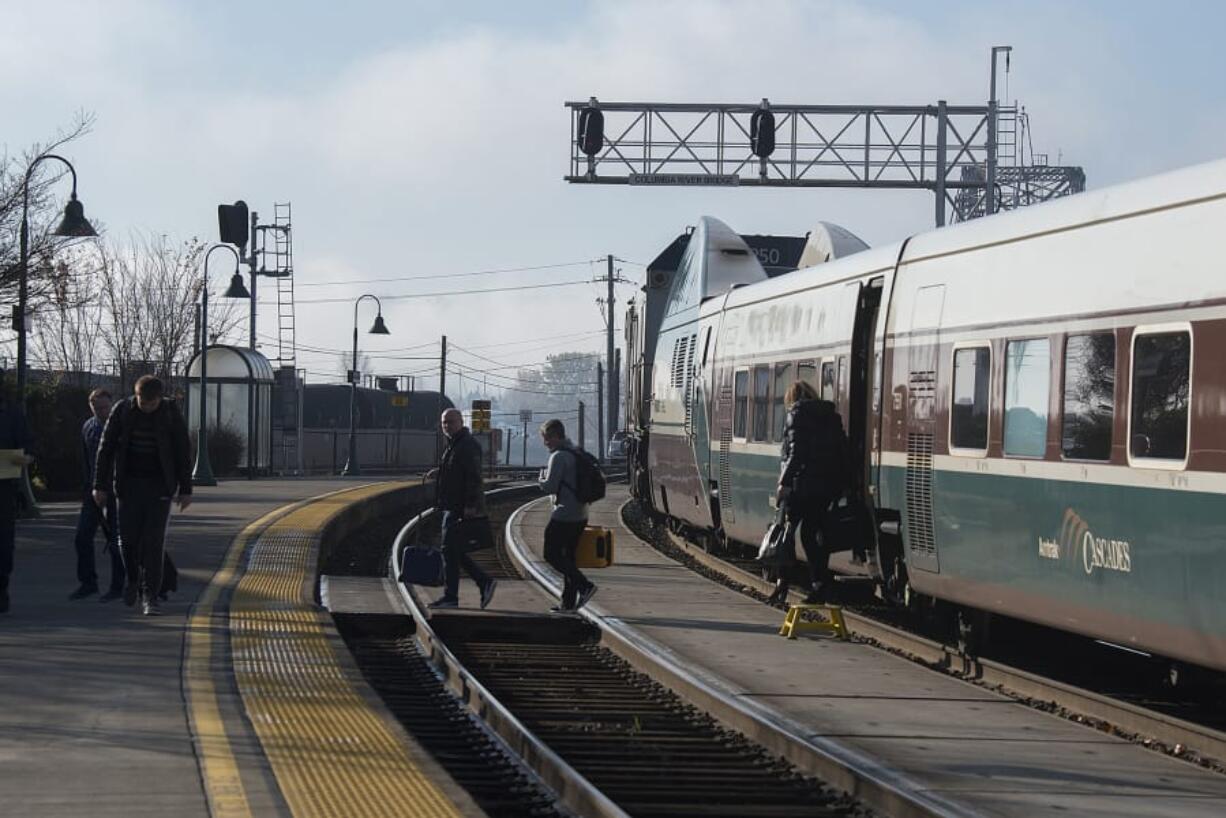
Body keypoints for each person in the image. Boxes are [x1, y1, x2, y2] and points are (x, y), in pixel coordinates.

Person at [93, 375, 192, 616]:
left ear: (159, 398)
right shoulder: (122, 410)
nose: (146, 407)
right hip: (128, 485)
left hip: (159, 485)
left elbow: (182, 451)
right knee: (126, 541)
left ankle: (151, 596)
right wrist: (99, 485)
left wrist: (186, 489)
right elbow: (105, 448)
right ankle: (133, 579)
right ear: (135, 396)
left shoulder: (170, 412)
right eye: (142, 402)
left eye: (151, 403)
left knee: (153, 543)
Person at [768, 380, 849, 606]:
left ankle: (782, 583)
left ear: (791, 398)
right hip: (825, 488)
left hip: (800, 486)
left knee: (785, 534)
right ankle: (819, 585)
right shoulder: (831, 416)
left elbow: (796, 453)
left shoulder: (796, 414)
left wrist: (784, 483)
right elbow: (842, 450)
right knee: (813, 535)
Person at [428, 408, 496, 610]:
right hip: (451, 504)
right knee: (452, 550)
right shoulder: (455, 444)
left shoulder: (466, 445)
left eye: (451, 422)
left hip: (459, 507)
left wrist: (470, 506)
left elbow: (474, 477)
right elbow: (456, 470)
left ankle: (455, 595)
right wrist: (439, 472)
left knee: (449, 549)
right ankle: (482, 583)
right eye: (444, 423)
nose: (447, 426)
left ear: (461, 422)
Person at [70, 388, 126, 602]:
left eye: (104, 407)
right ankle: (88, 582)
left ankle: (117, 586)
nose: (101, 411)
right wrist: (88, 487)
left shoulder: (121, 427)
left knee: (116, 542)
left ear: (111, 404)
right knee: (82, 537)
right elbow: (87, 461)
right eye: (96, 408)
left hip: (117, 490)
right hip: (94, 490)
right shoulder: (88, 427)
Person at [537, 418, 595, 613]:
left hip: (564, 513)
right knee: (569, 558)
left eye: (546, 438)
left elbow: (550, 486)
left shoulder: (559, 457)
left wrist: (541, 479)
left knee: (550, 554)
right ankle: (568, 603)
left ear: (554, 437)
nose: (545, 443)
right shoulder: (575, 452)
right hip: (581, 513)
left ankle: (584, 585)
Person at [0, 376, 34, 614]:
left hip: (4, 488)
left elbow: (28, 446)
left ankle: (1, 589)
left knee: (3, 544)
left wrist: (24, 458)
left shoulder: (11, 414)